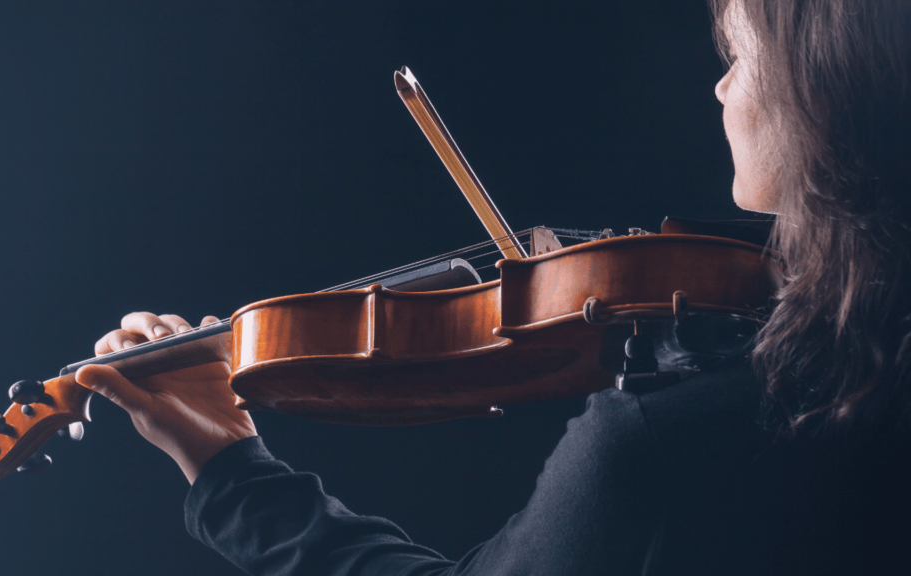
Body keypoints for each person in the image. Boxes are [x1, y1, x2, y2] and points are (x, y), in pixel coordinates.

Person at [74, 0, 911, 573]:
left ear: (825, 91)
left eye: (739, 56)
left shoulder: (667, 439)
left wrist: (227, 468)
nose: (722, 86)